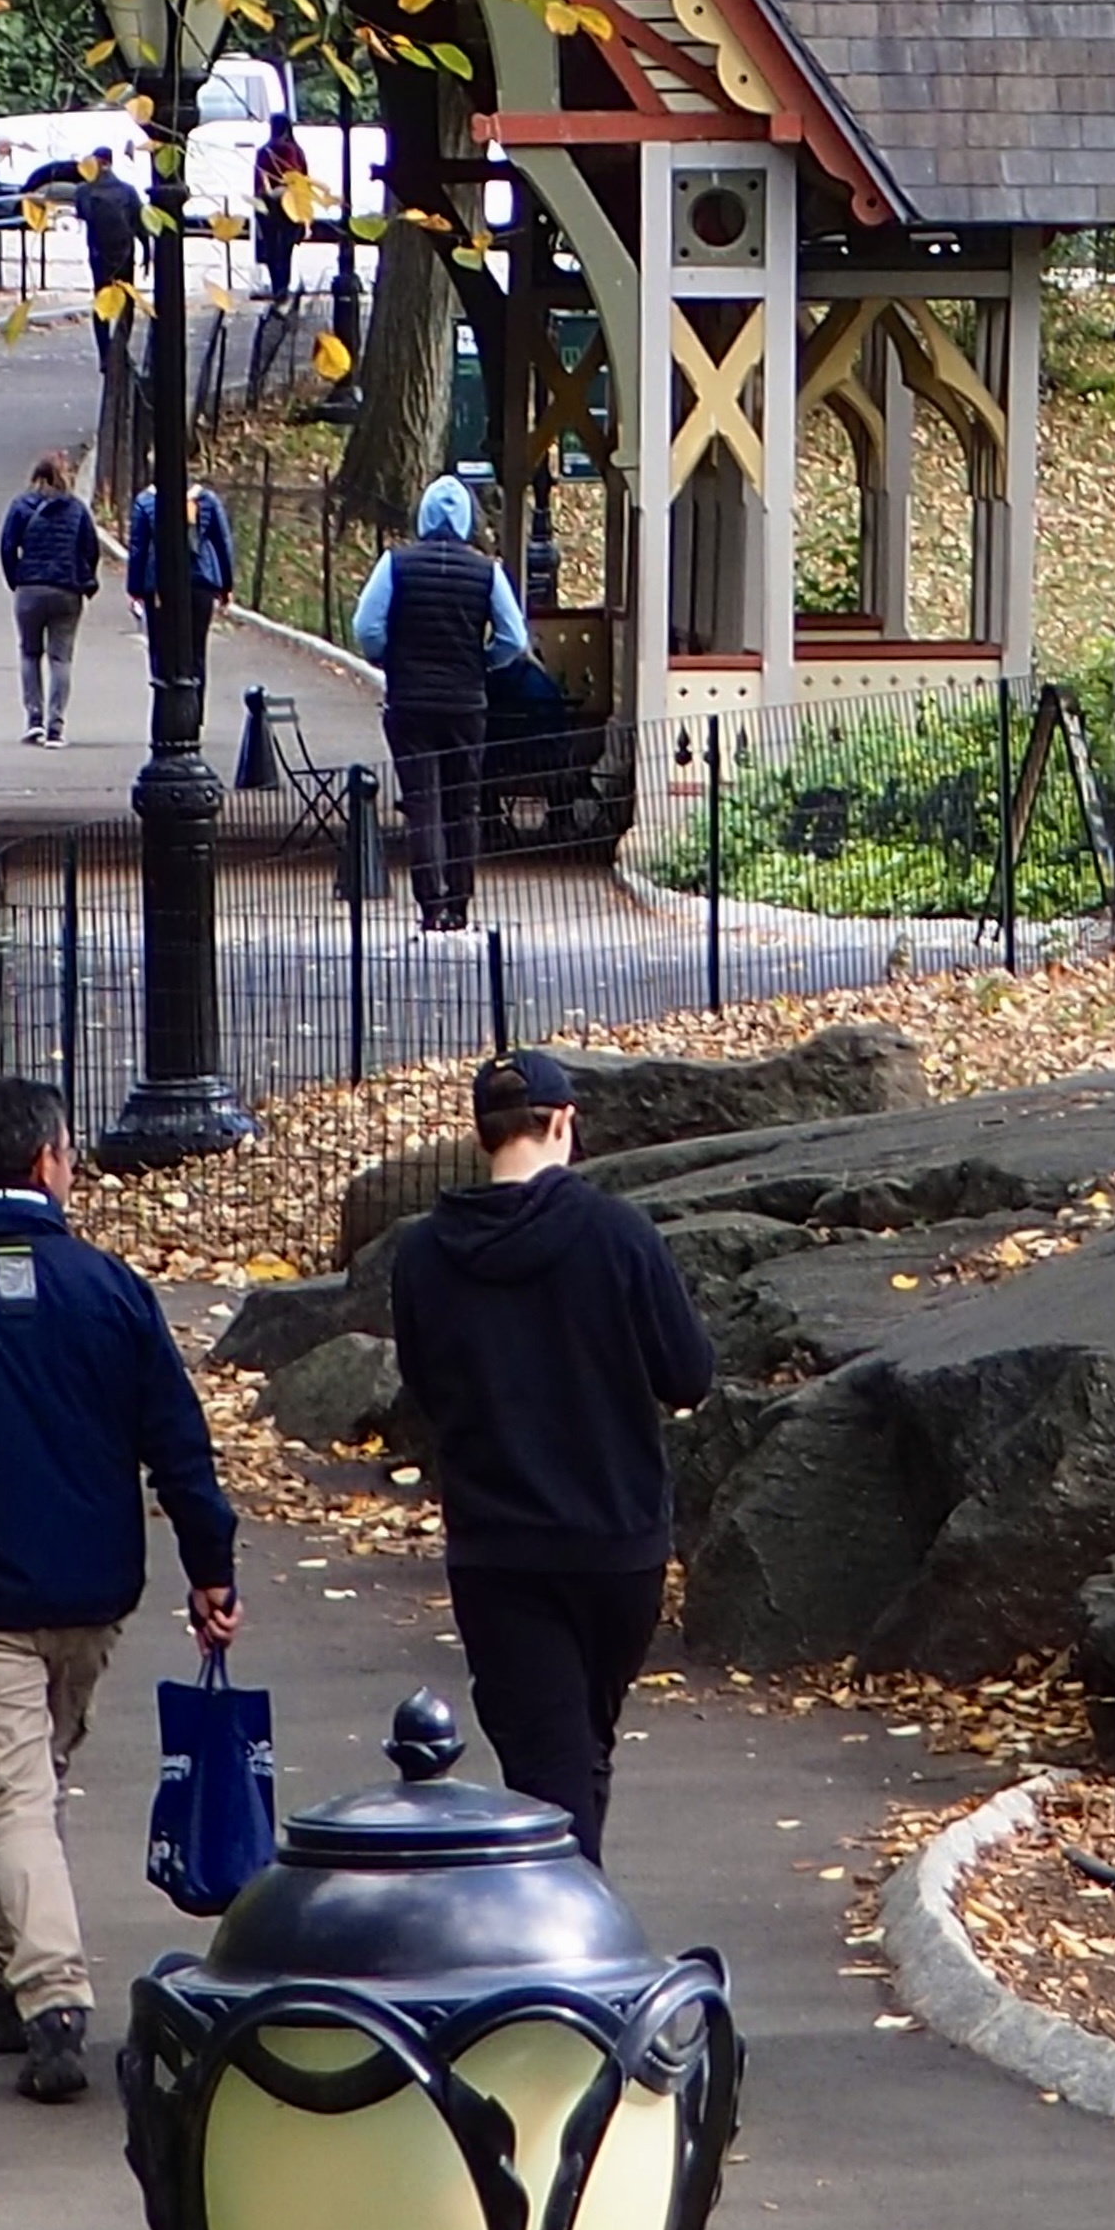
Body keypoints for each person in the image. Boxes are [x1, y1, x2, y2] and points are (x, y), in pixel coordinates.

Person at [0, 1076, 241, 2103]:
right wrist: (210, 1563)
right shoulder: (110, 1287)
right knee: (33, 1779)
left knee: (16, 1789)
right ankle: (7, 1970)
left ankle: (52, 1996)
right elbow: (178, 1441)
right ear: (49, 1161)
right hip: (93, 1586)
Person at [389, 1047, 717, 1862]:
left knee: (549, 1770)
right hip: (618, 1541)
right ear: (563, 1121)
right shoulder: (619, 1235)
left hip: (499, 1545)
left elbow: (425, 1390)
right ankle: (578, 1923)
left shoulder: (425, 1256)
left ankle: (567, 1919)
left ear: (482, 1135)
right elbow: (688, 1374)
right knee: (581, 1755)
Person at [351, 471, 529, 933]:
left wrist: (388, 658)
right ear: (468, 519)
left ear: (424, 515)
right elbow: (514, 638)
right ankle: (460, 903)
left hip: (410, 702)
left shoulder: (395, 564)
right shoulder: (486, 571)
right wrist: (483, 662)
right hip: (466, 704)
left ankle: (431, 904)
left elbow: (366, 627)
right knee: (463, 805)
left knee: (422, 802)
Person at [0, 449, 101, 747]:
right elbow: (90, 549)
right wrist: (83, 578)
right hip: (66, 590)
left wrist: (17, 579)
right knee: (60, 658)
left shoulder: (21, 506)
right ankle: (56, 726)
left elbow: (7, 546)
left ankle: (34, 720)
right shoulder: (76, 509)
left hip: (30, 588)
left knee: (30, 653)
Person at [125, 476, 236, 693]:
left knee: (160, 648)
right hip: (201, 581)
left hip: (158, 585)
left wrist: (135, 588)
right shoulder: (207, 500)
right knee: (196, 650)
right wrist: (226, 585)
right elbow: (223, 543)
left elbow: (138, 547)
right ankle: (195, 706)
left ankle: (163, 702)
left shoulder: (146, 501)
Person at [73, 152, 144, 373]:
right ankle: (120, 350)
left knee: (101, 300)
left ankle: (105, 354)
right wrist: (147, 250)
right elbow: (139, 223)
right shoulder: (127, 191)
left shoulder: (84, 191)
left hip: (99, 252)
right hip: (124, 252)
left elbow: (83, 214)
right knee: (126, 302)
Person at [251, 115, 305, 308]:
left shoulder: (264, 152)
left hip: (269, 206)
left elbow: (258, 184)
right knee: (286, 250)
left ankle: (278, 287)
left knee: (272, 249)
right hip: (290, 206)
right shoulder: (296, 151)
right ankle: (283, 287)